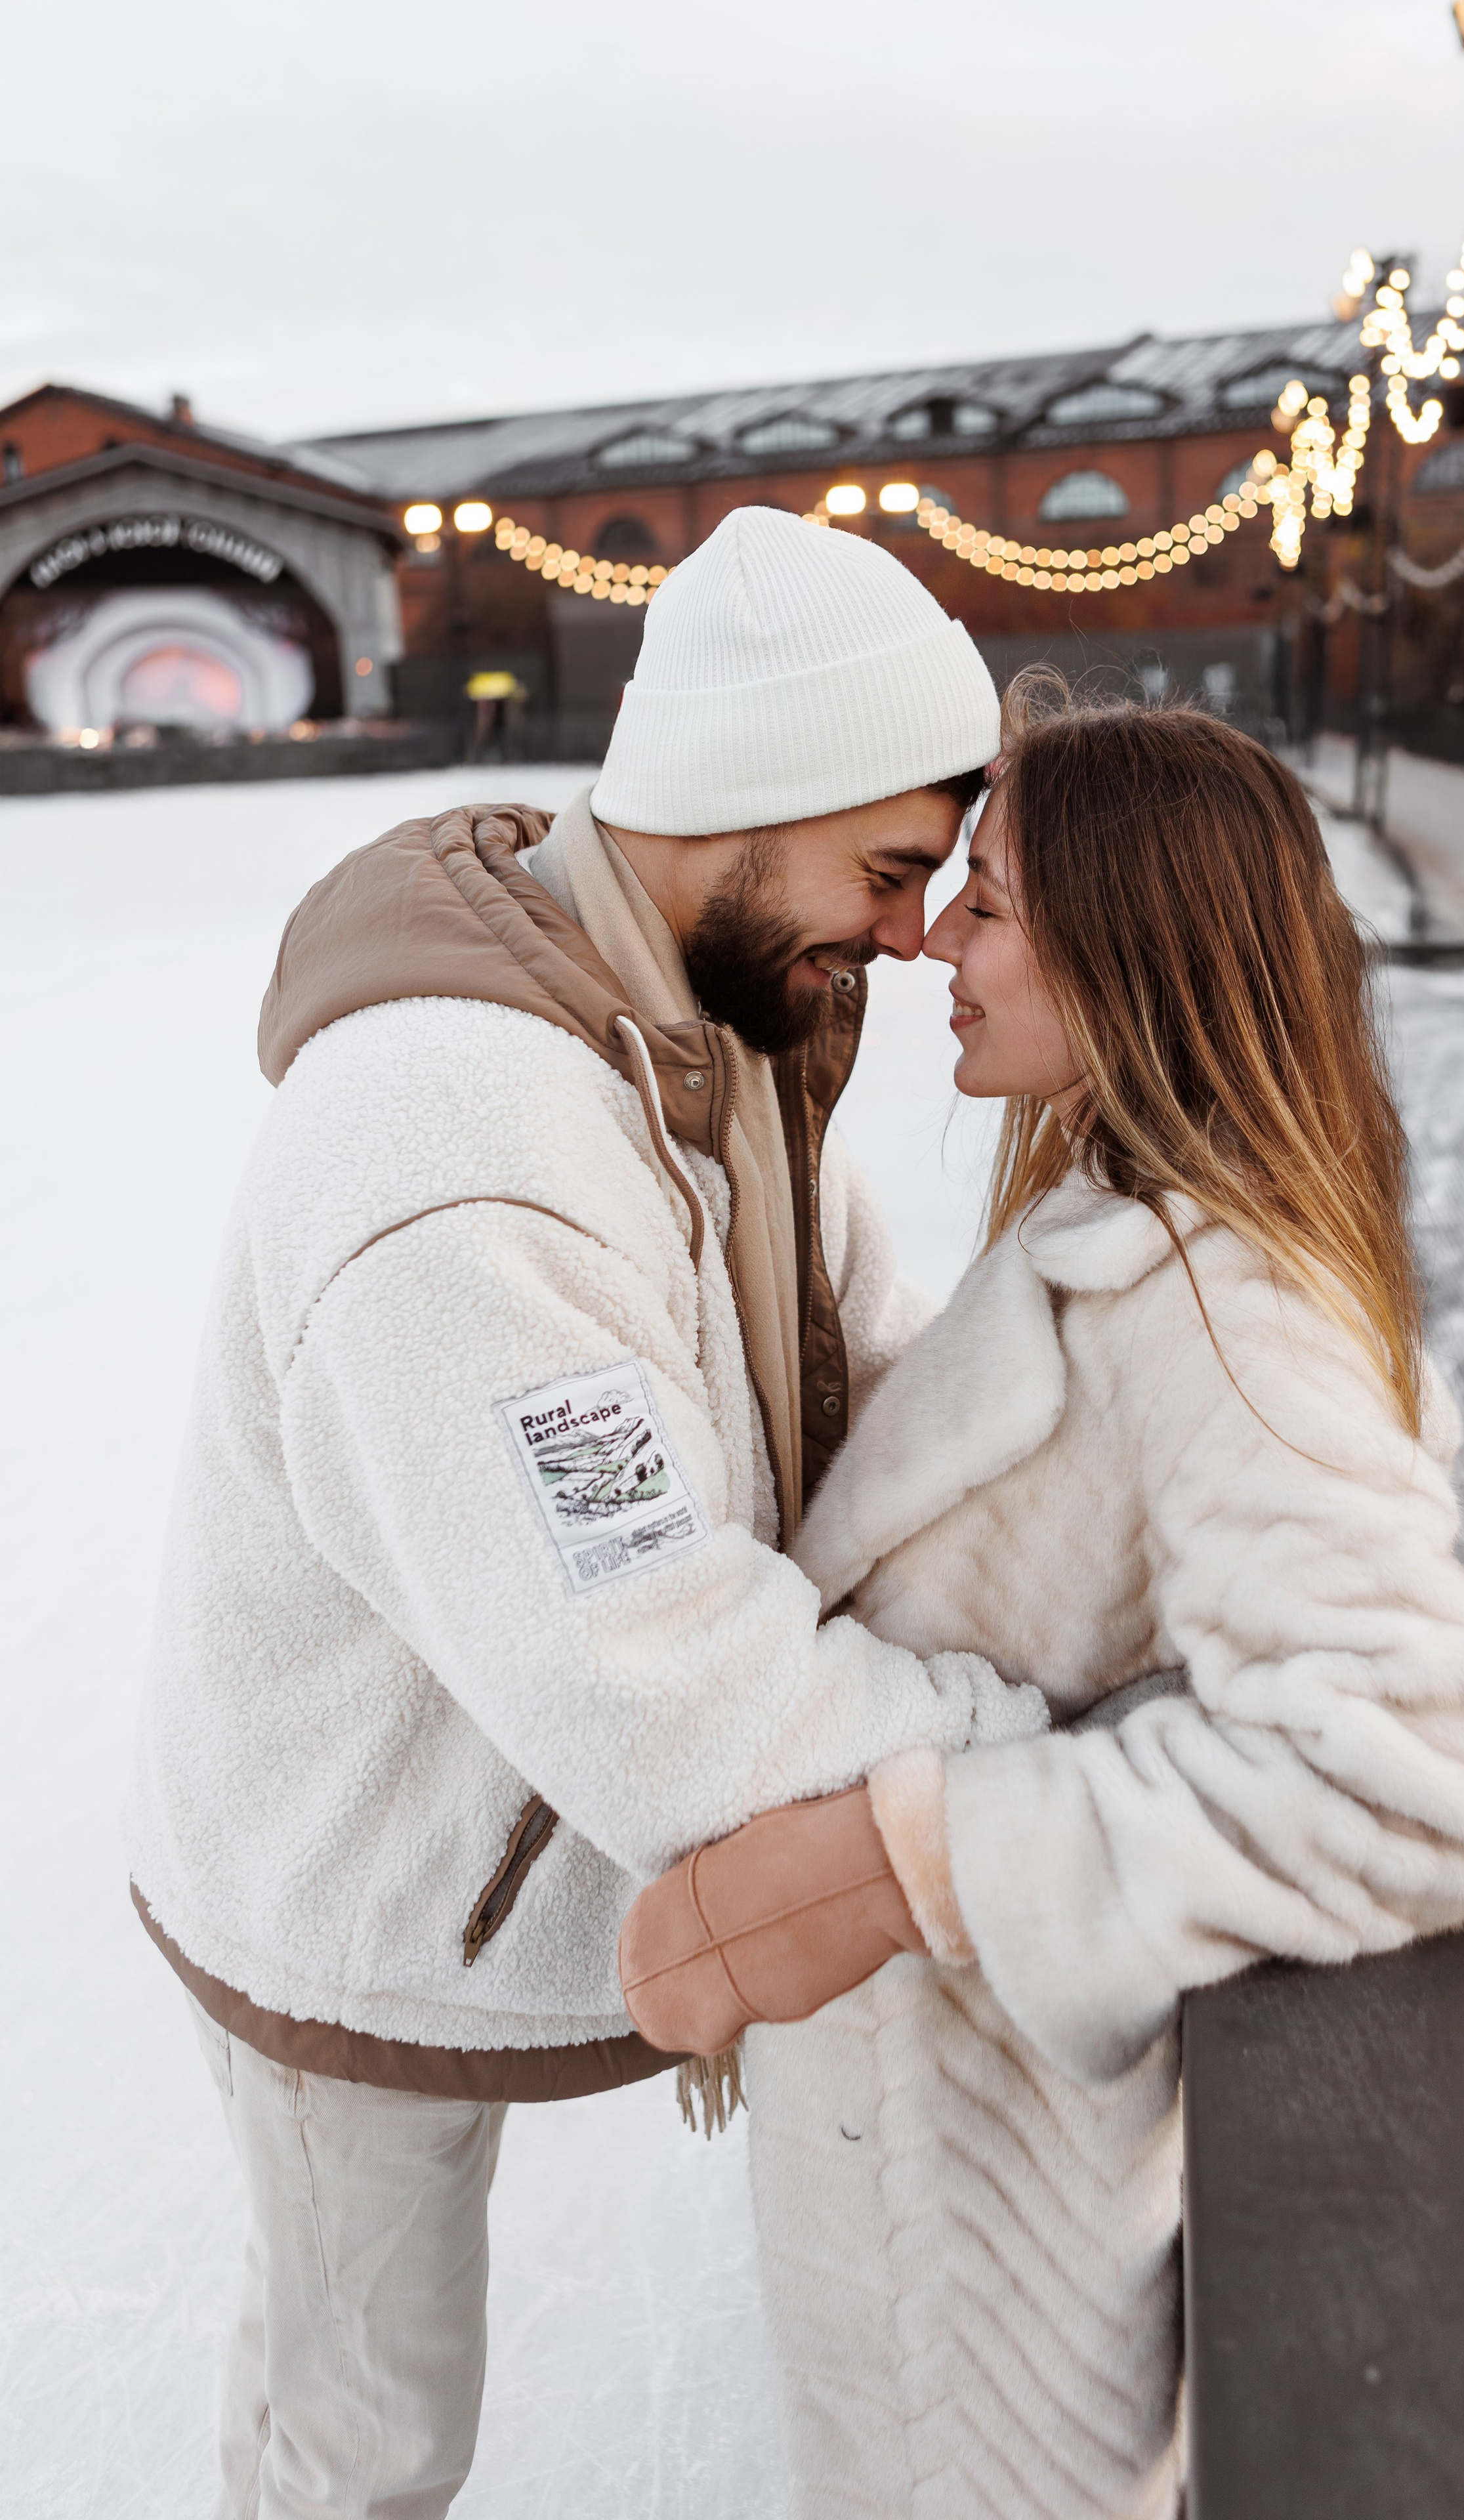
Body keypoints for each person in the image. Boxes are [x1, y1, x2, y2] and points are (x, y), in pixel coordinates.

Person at [125, 507, 1049, 2520]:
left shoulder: (711, 1039)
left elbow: (869, 1370)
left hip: (477, 1834)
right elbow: (648, 1665)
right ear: (744, 807)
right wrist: (1026, 1756)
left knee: (338, 2398)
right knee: (356, 2438)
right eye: (892, 871)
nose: (911, 935)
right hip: (362, 1895)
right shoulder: (462, 1153)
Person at [620, 688, 1464, 2519]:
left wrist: (907, 1858)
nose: (935, 937)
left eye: (998, 902)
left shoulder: (1226, 1306)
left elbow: (1414, 1767)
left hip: (997, 2244)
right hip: (946, 2177)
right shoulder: (1114, 1223)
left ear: (1137, 945)